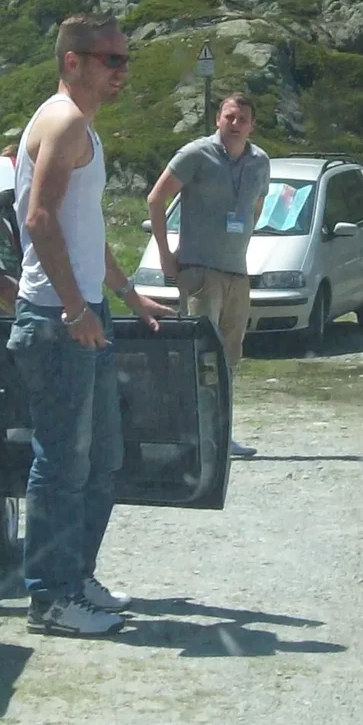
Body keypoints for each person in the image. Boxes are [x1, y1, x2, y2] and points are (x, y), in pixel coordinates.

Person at [11, 13, 173, 636]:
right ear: (73, 61)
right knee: (60, 463)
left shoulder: (83, 130)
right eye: (112, 60)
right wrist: (77, 308)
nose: (122, 72)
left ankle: (75, 578)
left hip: (83, 313)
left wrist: (128, 296)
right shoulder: (63, 120)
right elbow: (40, 220)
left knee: (102, 455)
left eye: (125, 60)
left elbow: (86, 230)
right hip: (56, 317)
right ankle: (50, 598)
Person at [146, 93, 268, 459]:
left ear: (252, 124)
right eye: (230, 116)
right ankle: (191, 435)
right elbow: (156, 199)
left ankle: (221, 435)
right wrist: (167, 256)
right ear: (218, 118)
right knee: (199, 355)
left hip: (237, 273)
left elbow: (255, 208)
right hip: (199, 272)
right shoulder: (196, 154)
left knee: (229, 358)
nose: (236, 124)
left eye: (243, 118)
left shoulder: (260, 162)